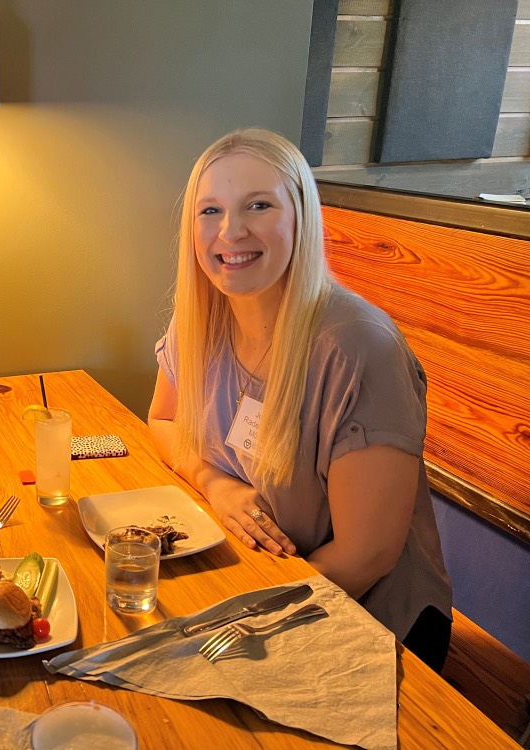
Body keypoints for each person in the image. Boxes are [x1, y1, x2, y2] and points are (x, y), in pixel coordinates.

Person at [148, 128, 453, 671]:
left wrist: (242, 622)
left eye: (258, 205)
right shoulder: (200, 318)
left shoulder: (358, 348)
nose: (230, 231)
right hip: (254, 576)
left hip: (371, 619)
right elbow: (163, 420)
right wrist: (217, 485)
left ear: (301, 217)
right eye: (211, 210)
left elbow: (367, 556)